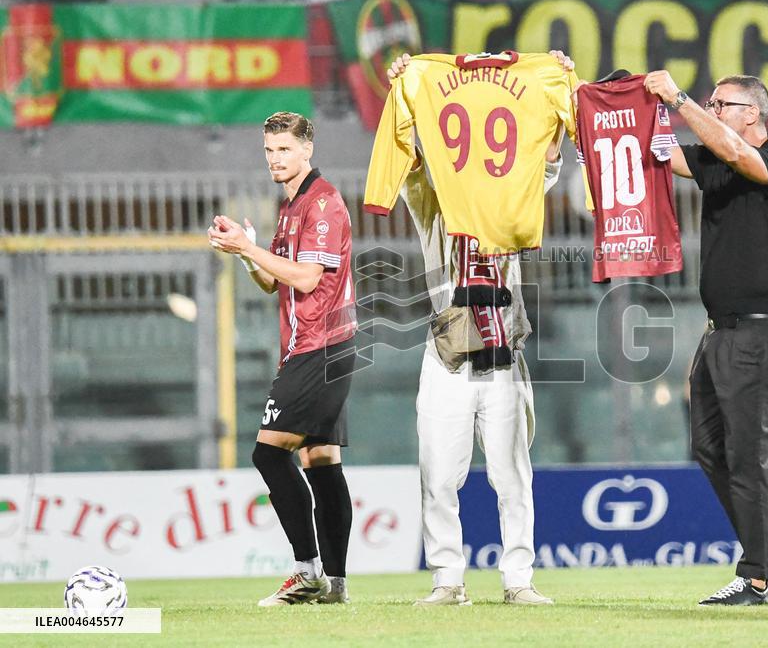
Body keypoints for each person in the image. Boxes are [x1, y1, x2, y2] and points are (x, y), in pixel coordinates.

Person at [385, 51, 575, 606]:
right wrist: (403, 91)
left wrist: (555, 88)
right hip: (448, 354)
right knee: (439, 477)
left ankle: (518, 580)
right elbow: (409, 166)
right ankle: (449, 580)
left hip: (502, 356)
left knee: (513, 477)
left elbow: (544, 163)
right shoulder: (434, 205)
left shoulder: (512, 193)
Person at [643, 71, 768, 606]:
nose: (712, 108)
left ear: (752, 113)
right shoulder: (720, 157)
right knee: (710, 447)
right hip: (719, 332)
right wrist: (594, 108)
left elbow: (734, 152)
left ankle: (757, 575)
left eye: (722, 102)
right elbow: (663, 153)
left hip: (757, 330)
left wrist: (681, 100)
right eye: (709, 102)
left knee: (745, 453)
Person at [208, 111, 357, 606]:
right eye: (269, 150)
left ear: (307, 150)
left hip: (321, 345)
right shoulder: (291, 205)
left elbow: (310, 279)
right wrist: (247, 252)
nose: (275, 159)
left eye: (285, 149)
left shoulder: (323, 203)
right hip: (316, 345)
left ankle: (307, 571)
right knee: (320, 458)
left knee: (268, 453)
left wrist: (250, 245)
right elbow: (274, 279)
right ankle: (333, 583)